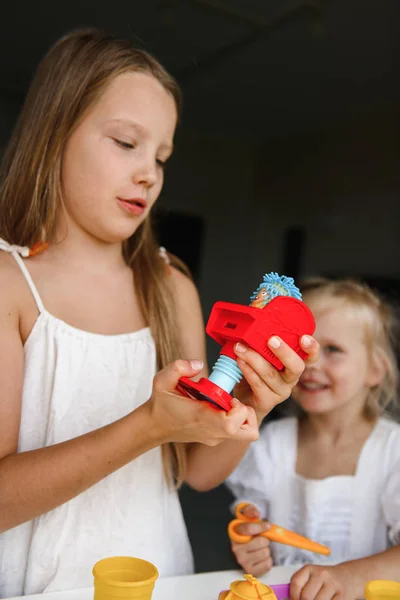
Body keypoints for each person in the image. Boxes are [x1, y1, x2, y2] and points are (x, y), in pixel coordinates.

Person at [0, 29, 318, 597]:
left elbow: (196, 471)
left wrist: (251, 402)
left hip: (161, 578)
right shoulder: (10, 284)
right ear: (53, 135)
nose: (149, 172)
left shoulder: (170, 286)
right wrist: (147, 425)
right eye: (126, 142)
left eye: (162, 156)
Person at [226, 277, 400, 600]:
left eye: (332, 350)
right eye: (300, 345)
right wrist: (250, 543)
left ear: (376, 370)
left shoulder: (393, 451)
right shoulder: (270, 445)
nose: (312, 362)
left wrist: (349, 577)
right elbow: (250, 521)